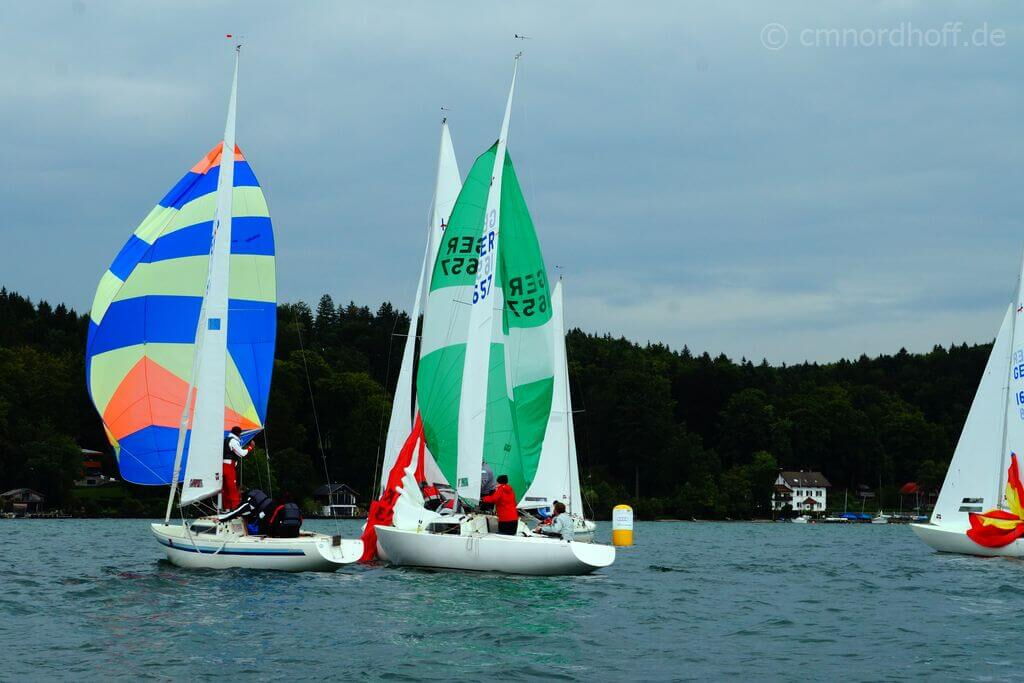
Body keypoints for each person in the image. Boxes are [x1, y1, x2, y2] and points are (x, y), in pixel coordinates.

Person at [222, 426, 252, 510]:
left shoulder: (225, 440)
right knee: (233, 489)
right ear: (238, 434)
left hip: (222, 466)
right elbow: (242, 453)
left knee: (225, 490)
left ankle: (227, 509)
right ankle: (236, 510)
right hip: (229, 467)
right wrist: (250, 447)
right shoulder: (233, 441)